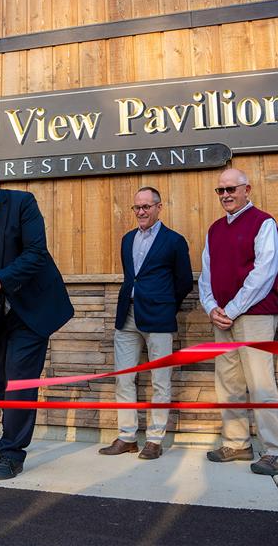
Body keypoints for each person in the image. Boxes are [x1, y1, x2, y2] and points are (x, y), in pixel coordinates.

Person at [0, 157, 74, 480]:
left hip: (31, 308)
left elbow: (35, 254)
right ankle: (15, 430)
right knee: (4, 380)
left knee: (20, 378)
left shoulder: (22, 204)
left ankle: (10, 452)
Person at [198, 168, 278, 475]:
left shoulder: (263, 223)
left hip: (254, 316)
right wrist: (211, 307)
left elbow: (264, 273)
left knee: (261, 384)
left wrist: (233, 308)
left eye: (231, 189)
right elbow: (206, 275)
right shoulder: (214, 229)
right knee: (228, 384)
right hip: (222, 318)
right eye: (220, 190)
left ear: (246, 189)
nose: (225, 195)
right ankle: (237, 443)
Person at [99, 187, 192, 460]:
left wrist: (165, 304)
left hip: (159, 318)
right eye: (137, 207)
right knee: (124, 379)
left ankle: (154, 439)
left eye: (146, 207)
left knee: (160, 381)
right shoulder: (127, 239)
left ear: (158, 207)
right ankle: (127, 437)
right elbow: (132, 277)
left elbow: (184, 281)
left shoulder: (174, 241)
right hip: (127, 315)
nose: (141, 212)